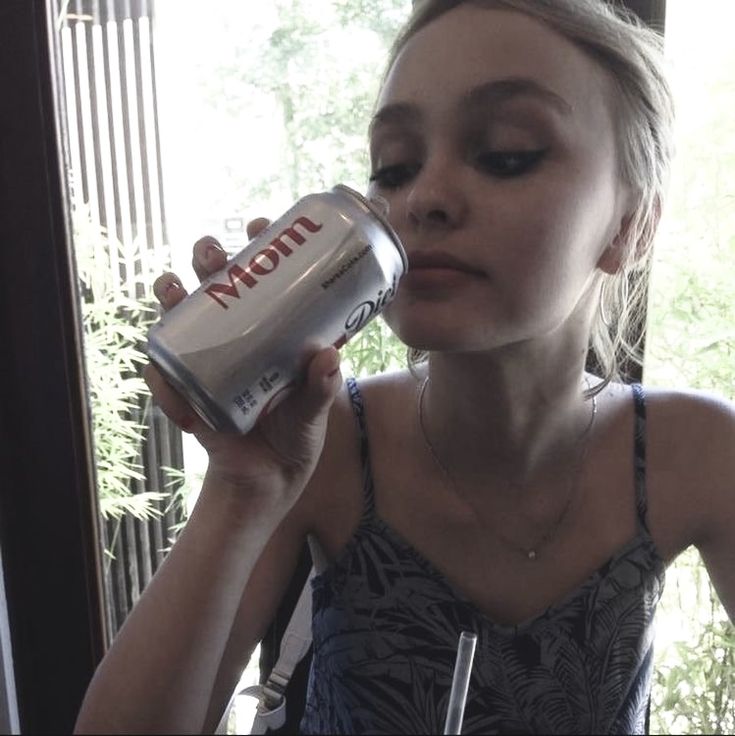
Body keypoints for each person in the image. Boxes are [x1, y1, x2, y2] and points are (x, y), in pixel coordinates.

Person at [74, 0, 735, 733]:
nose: (421, 198)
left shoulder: (695, 454)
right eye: (394, 165)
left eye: (505, 153)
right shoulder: (324, 445)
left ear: (630, 225)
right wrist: (239, 489)